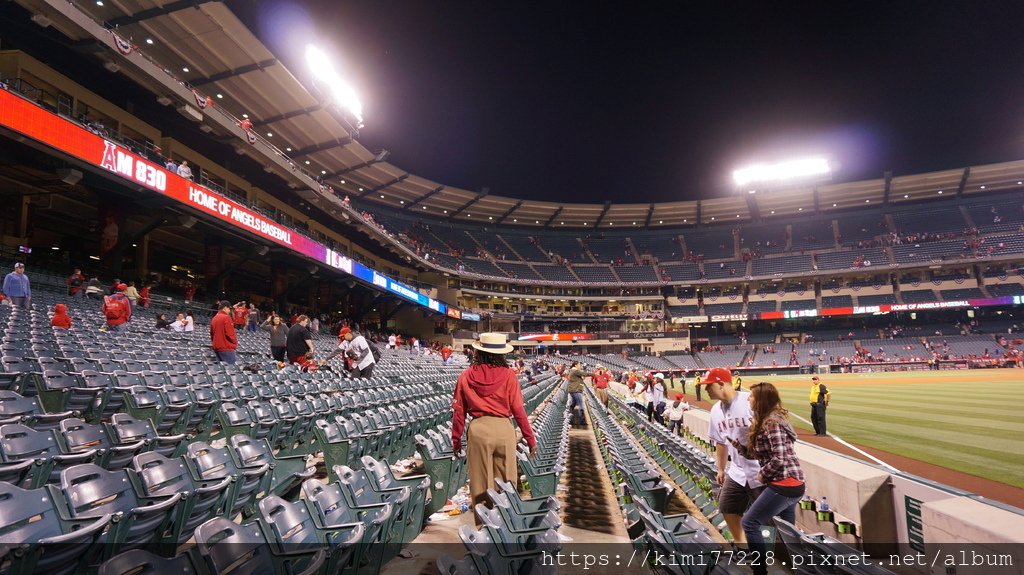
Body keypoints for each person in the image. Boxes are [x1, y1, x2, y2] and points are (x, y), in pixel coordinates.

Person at [450, 332, 537, 524]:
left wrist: (456, 441)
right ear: (501, 354)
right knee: (507, 481)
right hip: (504, 428)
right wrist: (530, 438)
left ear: (478, 352)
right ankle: (507, 524)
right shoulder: (509, 375)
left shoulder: (465, 376)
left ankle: (484, 529)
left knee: (480, 482)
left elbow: (459, 413)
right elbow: (519, 411)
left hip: (479, 429)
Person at [730, 382, 806, 575]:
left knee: (749, 523)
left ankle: (760, 571)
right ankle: (803, 569)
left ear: (761, 399)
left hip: (785, 484)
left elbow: (779, 459)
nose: (748, 399)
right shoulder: (766, 420)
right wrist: (741, 449)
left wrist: (761, 475)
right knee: (788, 533)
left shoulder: (772, 422)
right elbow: (763, 454)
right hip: (789, 483)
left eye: (752, 396)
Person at [698, 366, 763, 545]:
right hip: (736, 469)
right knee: (727, 507)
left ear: (720, 384)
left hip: (761, 469)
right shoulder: (715, 410)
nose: (706, 389)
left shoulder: (749, 401)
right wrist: (720, 469)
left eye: (709, 385)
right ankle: (744, 547)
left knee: (771, 517)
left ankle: (781, 556)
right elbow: (720, 442)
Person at [567, 361, 593, 427]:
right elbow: (584, 374)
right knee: (581, 406)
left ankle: (569, 419)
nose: (580, 366)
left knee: (572, 405)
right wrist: (595, 374)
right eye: (579, 364)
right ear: (575, 365)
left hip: (574, 390)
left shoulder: (574, 371)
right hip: (576, 390)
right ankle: (582, 421)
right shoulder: (575, 371)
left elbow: (582, 377)